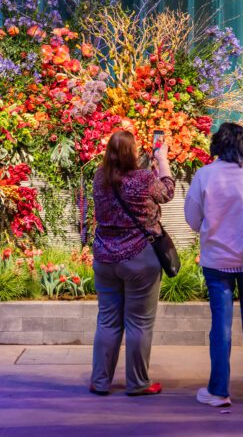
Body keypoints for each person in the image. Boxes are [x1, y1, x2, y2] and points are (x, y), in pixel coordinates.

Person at [185, 122, 243, 408]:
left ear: (217, 144)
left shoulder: (205, 175)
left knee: (221, 326)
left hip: (217, 262)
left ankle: (218, 391)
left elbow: (192, 219)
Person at [89, 130, 175, 396]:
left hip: (105, 258)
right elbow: (167, 192)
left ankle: (100, 381)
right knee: (139, 322)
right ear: (132, 153)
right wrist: (163, 160)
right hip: (139, 258)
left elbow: (123, 184)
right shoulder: (144, 179)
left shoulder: (99, 177)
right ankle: (138, 383)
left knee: (107, 321)